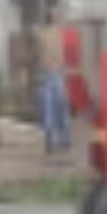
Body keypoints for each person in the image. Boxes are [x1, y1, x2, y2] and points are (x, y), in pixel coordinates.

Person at [33, 22, 72, 155]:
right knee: (61, 107)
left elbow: (36, 34)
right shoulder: (59, 33)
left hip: (47, 74)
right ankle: (64, 138)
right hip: (59, 73)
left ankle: (51, 139)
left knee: (48, 108)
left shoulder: (42, 36)